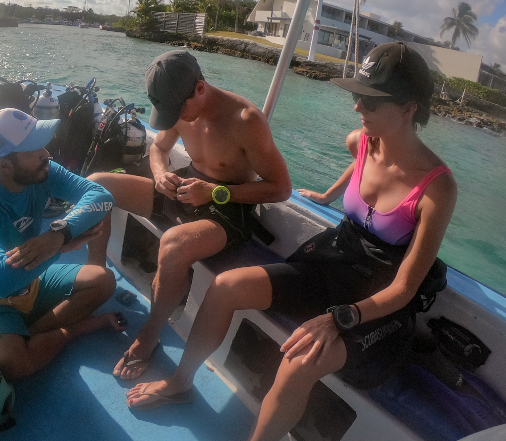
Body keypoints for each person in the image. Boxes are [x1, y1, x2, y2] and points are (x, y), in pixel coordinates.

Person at [125, 42, 457, 441]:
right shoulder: (362, 140)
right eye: (356, 96)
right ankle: (181, 381)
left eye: (369, 101)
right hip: (337, 258)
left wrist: (340, 317)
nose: (357, 109)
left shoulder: (437, 189)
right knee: (226, 286)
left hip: (378, 298)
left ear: (409, 108)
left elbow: (405, 288)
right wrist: (328, 198)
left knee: (300, 362)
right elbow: (361, 166)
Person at [87, 49, 292, 379]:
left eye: (176, 109)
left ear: (199, 89)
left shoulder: (246, 121)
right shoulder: (180, 108)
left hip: (227, 206)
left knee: (173, 244)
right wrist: (159, 174)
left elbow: (281, 188)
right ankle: (94, 277)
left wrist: (215, 192)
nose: (174, 117)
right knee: (97, 186)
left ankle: (150, 334)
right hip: (182, 187)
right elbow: (159, 147)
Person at [0, 108, 125, 381]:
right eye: (34, 149)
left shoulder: (42, 172)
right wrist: (60, 248)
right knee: (14, 365)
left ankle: (29, 335)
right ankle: (72, 330)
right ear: (4, 165)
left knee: (103, 280)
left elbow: (101, 196)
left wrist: (60, 232)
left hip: (32, 280)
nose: (46, 153)